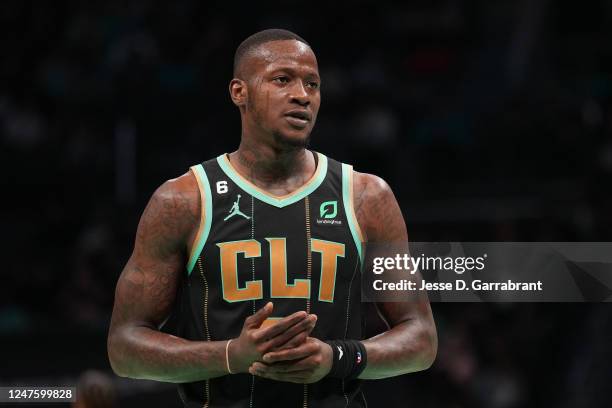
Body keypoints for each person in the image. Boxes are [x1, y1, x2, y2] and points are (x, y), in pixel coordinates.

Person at [107, 29, 437, 407]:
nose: (302, 95)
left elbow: (422, 340)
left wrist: (336, 358)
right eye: (283, 79)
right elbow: (124, 348)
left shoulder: (367, 196)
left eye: (312, 84)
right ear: (239, 92)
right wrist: (231, 355)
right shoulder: (182, 200)